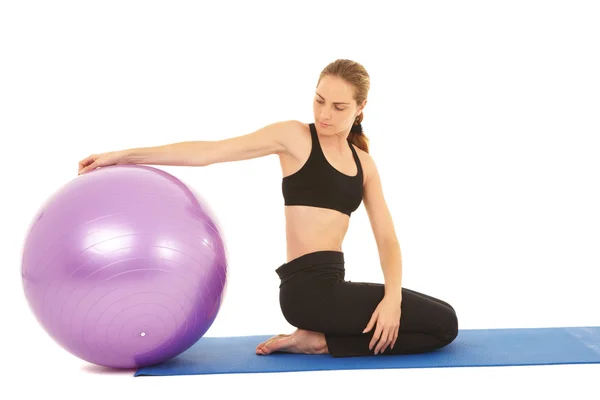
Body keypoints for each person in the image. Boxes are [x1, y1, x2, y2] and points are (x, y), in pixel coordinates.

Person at [77, 59, 459, 357]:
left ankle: (318, 338)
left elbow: (387, 240)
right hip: (306, 292)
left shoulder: (364, 165)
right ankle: (320, 342)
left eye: (339, 107)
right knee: (445, 326)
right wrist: (122, 155)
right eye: (319, 100)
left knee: (440, 316)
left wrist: (392, 299)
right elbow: (210, 151)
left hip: (333, 288)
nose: (325, 114)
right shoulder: (295, 137)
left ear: (361, 108)